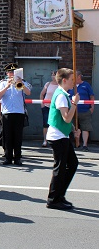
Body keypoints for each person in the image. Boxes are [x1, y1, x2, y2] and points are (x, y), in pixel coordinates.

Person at [46, 68, 80, 210]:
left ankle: (60, 195)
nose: (74, 82)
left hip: (63, 135)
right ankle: (53, 199)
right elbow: (66, 117)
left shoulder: (64, 94)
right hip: (57, 136)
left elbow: (66, 120)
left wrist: (73, 130)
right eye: (72, 80)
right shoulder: (60, 95)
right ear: (64, 80)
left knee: (72, 164)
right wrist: (74, 104)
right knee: (60, 168)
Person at [0, 63, 31, 165]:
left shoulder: (22, 82)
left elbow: (28, 93)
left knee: (18, 136)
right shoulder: (3, 83)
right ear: (7, 73)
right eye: (10, 72)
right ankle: (8, 157)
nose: (11, 74)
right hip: (7, 112)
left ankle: (18, 158)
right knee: (7, 136)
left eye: (13, 72)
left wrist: (20, 83)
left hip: (19, 112)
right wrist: (7, 86)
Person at [68, 71, 94, 151]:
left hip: (85, 110)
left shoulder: (86, 85)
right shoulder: (71, 85)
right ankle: (75, 143)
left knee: (85, 127)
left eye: (74, 76)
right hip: (72, 110)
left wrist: (92, 107)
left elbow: (92, 96)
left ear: (79, 76)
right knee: (72, 127)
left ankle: (85, 145)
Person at [39, 70, 58, 147]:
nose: (53, 76)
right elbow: (42, 94)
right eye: (52, 75)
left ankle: (54, 140)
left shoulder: (60, 85)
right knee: (46, 124)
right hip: (46, 106)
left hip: (56, 107)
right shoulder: (48, 84)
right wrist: (42, 104)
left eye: (54, 75)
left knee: (55, 124)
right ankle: (45, 140)